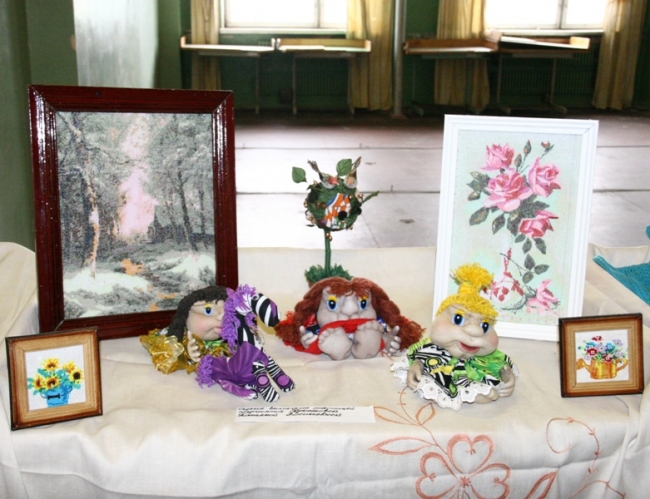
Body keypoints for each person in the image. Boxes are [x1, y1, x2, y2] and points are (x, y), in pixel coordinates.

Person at [392, 264, 516, 410]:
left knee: (492, 384)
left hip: (475, 370)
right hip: (442, 367)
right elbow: (418, 354)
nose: (475, 331)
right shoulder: (431, 346)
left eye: (484, 326)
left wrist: (505, 374)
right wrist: (416, 365)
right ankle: (466, 392)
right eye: (459, 319)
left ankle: (474, 389)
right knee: (437, 376)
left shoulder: (488, 356)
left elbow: (498, 363)